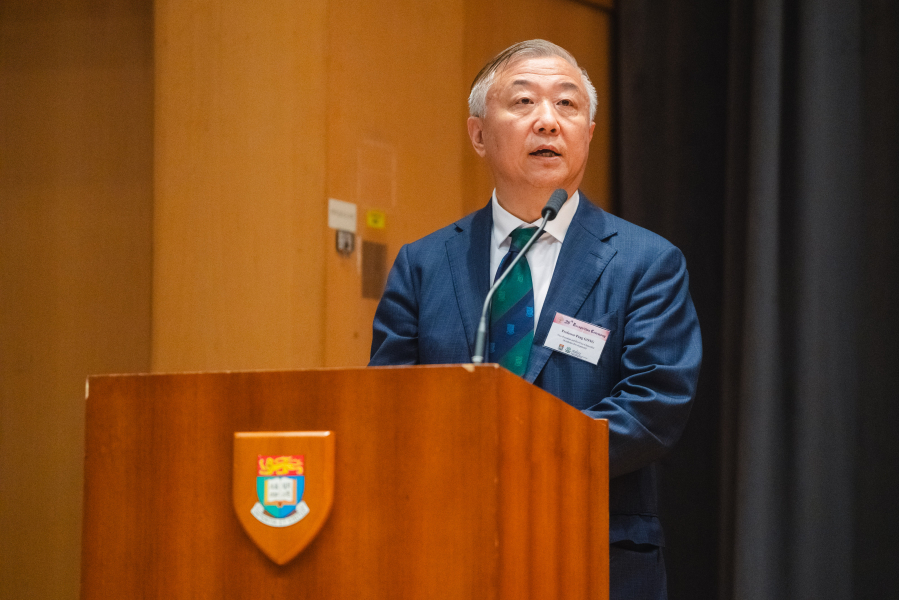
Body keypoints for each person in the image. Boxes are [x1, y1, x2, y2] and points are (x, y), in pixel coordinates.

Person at [369, 39, 701, 600]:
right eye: (523, 102)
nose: (548, 121)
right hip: (448, 550)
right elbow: (389, 406)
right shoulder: (423, 265)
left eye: (567, 105)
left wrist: (517, 456)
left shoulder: (646, 262)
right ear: (479, 134)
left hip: (593, 551)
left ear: (588, 134)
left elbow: (654, 404)